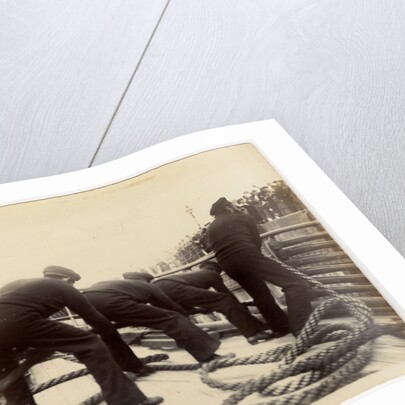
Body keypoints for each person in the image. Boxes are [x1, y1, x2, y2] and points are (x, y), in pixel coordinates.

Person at [0, 266, 163, 405]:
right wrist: (108, 329)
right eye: (72, 283)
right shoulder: (61, 286)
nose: (73, 286)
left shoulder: (19, 285)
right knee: (90, 343)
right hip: (18, 321)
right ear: (66, 279)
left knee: (8, 370)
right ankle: (127, 400)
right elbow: (96, 319)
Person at [206, 197, 313, 337]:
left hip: (228, 266)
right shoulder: (243, 217)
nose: (237, 206)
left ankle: (280, 328)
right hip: (247, 256)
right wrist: (257, 260)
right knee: (295, 283)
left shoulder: (210, 229)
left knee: (260, 295)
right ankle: (301, 328)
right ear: (228, 208)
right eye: (233, 205)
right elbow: (256, 242)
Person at [82, 272, 221, 363]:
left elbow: (149, 312)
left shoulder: (119, 284)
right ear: (146, 280)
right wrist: (195, 310)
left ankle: (133, 368)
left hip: (85, 301)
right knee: (172, 318)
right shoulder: (147, 286)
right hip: (112, 301)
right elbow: (173, 308)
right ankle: (208, 357)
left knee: (108, 332)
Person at [153, 262, 272, 344]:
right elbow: (226, 296)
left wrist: (201, 309)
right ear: (216, 270)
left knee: (184, 313)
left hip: (156, 290)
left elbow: (201, 300)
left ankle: (198, 347)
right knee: (225, 301)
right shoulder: (212, 274)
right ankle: (252, 334)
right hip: (173, 286)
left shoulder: (195, 276)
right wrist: (241, 307)